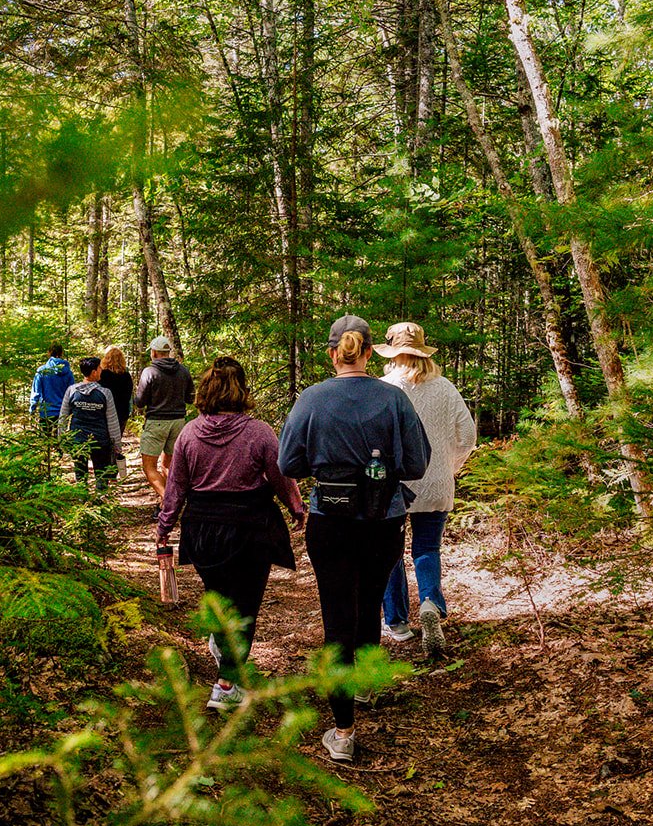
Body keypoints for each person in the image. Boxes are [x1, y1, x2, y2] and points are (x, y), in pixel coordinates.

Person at [279, 314, 430, 764]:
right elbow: (418, 462)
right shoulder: (394, 399)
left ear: (333, 353)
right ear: (368, 352)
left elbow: (289, 462)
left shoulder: (311, 399)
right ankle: (362, 684)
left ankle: (343, 729)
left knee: (337, 613)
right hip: (383, 518)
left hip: (330, 517)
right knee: (368, 605)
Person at [156, 357, 307, 711]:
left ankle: (224, 649)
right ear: (242, 389)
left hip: (204, 531)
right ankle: (226, 684)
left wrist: (163, 528)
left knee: (222, 599)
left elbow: (175, 487)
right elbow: (281, 476)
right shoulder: (259, 432)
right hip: (250, 530)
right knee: (245, 607)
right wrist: (297, 509)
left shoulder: (189, 434)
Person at [374, 322, 477, 659]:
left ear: (393, 354)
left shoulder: (383, 388)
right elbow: (468, 436)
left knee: (390, 552)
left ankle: (398, 622)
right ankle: (431, 602)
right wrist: (449, 467)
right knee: (427, 547)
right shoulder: (445, 388)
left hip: (395, 484)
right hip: (436, 483)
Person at [133, 336, 194, 500]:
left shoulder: (150, 372)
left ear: (153, 353)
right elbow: (190, 398)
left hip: (157, 422)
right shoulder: (183, 371)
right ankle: (166, 502)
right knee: (169, 465)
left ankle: (169, 501)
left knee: (149, 467)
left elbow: (140, 402)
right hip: (179, 423)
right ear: (168, 352)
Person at [57, 356, 122, 490]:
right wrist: (117, 445)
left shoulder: (72, 391)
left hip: (78, 440)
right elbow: (112, 421)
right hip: (100, 441)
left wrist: (62, 439)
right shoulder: (105, 393)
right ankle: (100, 503)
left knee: (80, 474)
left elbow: (62, 418)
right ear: (93, 372)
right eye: (99, 369)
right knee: (101, 474)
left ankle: (83, 502)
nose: (101, 371)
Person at [29, 344, 74, 436]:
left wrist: (32, 409)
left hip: (46, 412)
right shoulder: (68, 373)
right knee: (60, 440)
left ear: (49, 353)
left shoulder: (42, 371)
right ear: (61, 353)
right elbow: (72, 393)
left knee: (46, 441)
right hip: (63, 412)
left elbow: (36, 393)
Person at [99, 345, 134, 435]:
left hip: (104, 414)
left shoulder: (102, 375)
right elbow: (128, 396)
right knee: (117, 440)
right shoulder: (126, 376)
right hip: (121, 413)